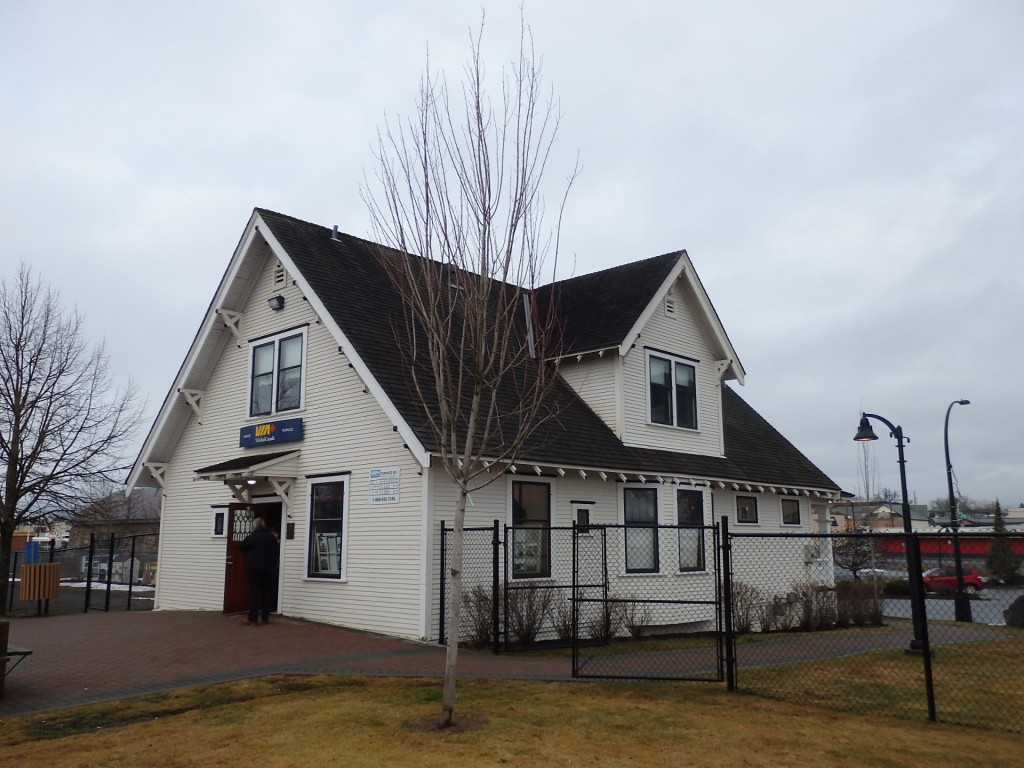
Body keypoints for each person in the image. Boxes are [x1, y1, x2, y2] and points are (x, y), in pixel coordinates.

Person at [238, 517, 279, 625]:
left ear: (255, 526)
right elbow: (276, 551)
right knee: (266, 593)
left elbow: (241, 547)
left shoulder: (253, 537)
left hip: (254, 569)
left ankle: (253, 618)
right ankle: (265, 618)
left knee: (254, 594)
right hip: (268, 569)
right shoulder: (271, 538)